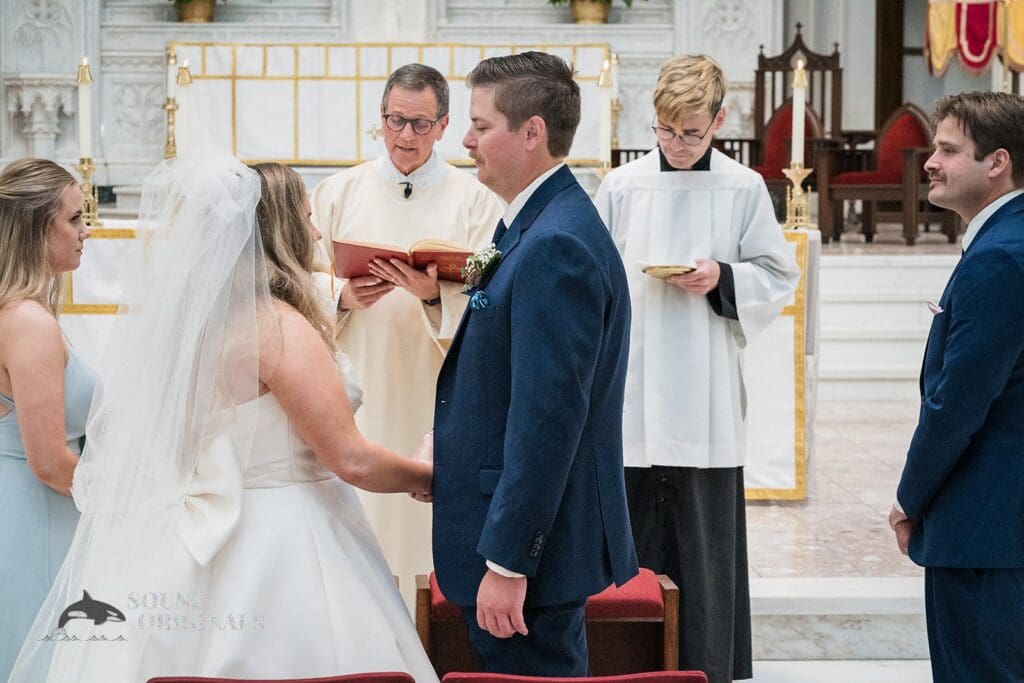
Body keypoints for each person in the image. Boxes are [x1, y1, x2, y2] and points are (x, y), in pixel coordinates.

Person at [10, 157, 438, 683]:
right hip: (291, 536)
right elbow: (348, 457)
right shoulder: (277, 327)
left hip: (205, 542)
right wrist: (428, 476)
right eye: (306, 217)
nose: (317, 230)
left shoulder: (198, 327)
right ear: (280, 229)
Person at [593, 55, 799, 683]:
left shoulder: (741, 188)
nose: (677, 145)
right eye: (664, 130)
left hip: (702, 391)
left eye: (691, 132)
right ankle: (626, 666)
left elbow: (776, 273)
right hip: (631, 388)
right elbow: (595, 276)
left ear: (718, 119)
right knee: (629, 545)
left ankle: (709, 667)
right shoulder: (623, 186)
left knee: (702, 553)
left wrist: (722, 277)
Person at [432, 51, 638, 677]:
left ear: (532, 133)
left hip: (531, 561)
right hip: (514, 530)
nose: (465, 140)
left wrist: (509, 562)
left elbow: (549, 419)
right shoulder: (536, 224)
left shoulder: (557, 245)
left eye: (480, 125)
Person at [311, 63, 503, 603]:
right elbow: (292, 280)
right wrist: (339, 295)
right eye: (395, 121)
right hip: (358, 391)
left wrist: (433, 295)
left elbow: (495, 296)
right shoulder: (336, 194)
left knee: (424, 539)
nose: (405, 137)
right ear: (380, 118)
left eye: (421, 125)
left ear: (444, 126)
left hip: (436, 393)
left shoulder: (478, 203)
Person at [890, 91, 1024, 683]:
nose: (930, 161)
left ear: (997, 162)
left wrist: (910, 497)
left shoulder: (1002, 258)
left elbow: (958, 403)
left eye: (948, 149)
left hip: (985, 530)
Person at [0, 159, 95, 680]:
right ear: (39, 227)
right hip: (37, 516)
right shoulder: (29, 322)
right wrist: (131, 502)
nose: (85, 232)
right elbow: (50, 462)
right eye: (75, 219)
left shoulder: (19, 311)